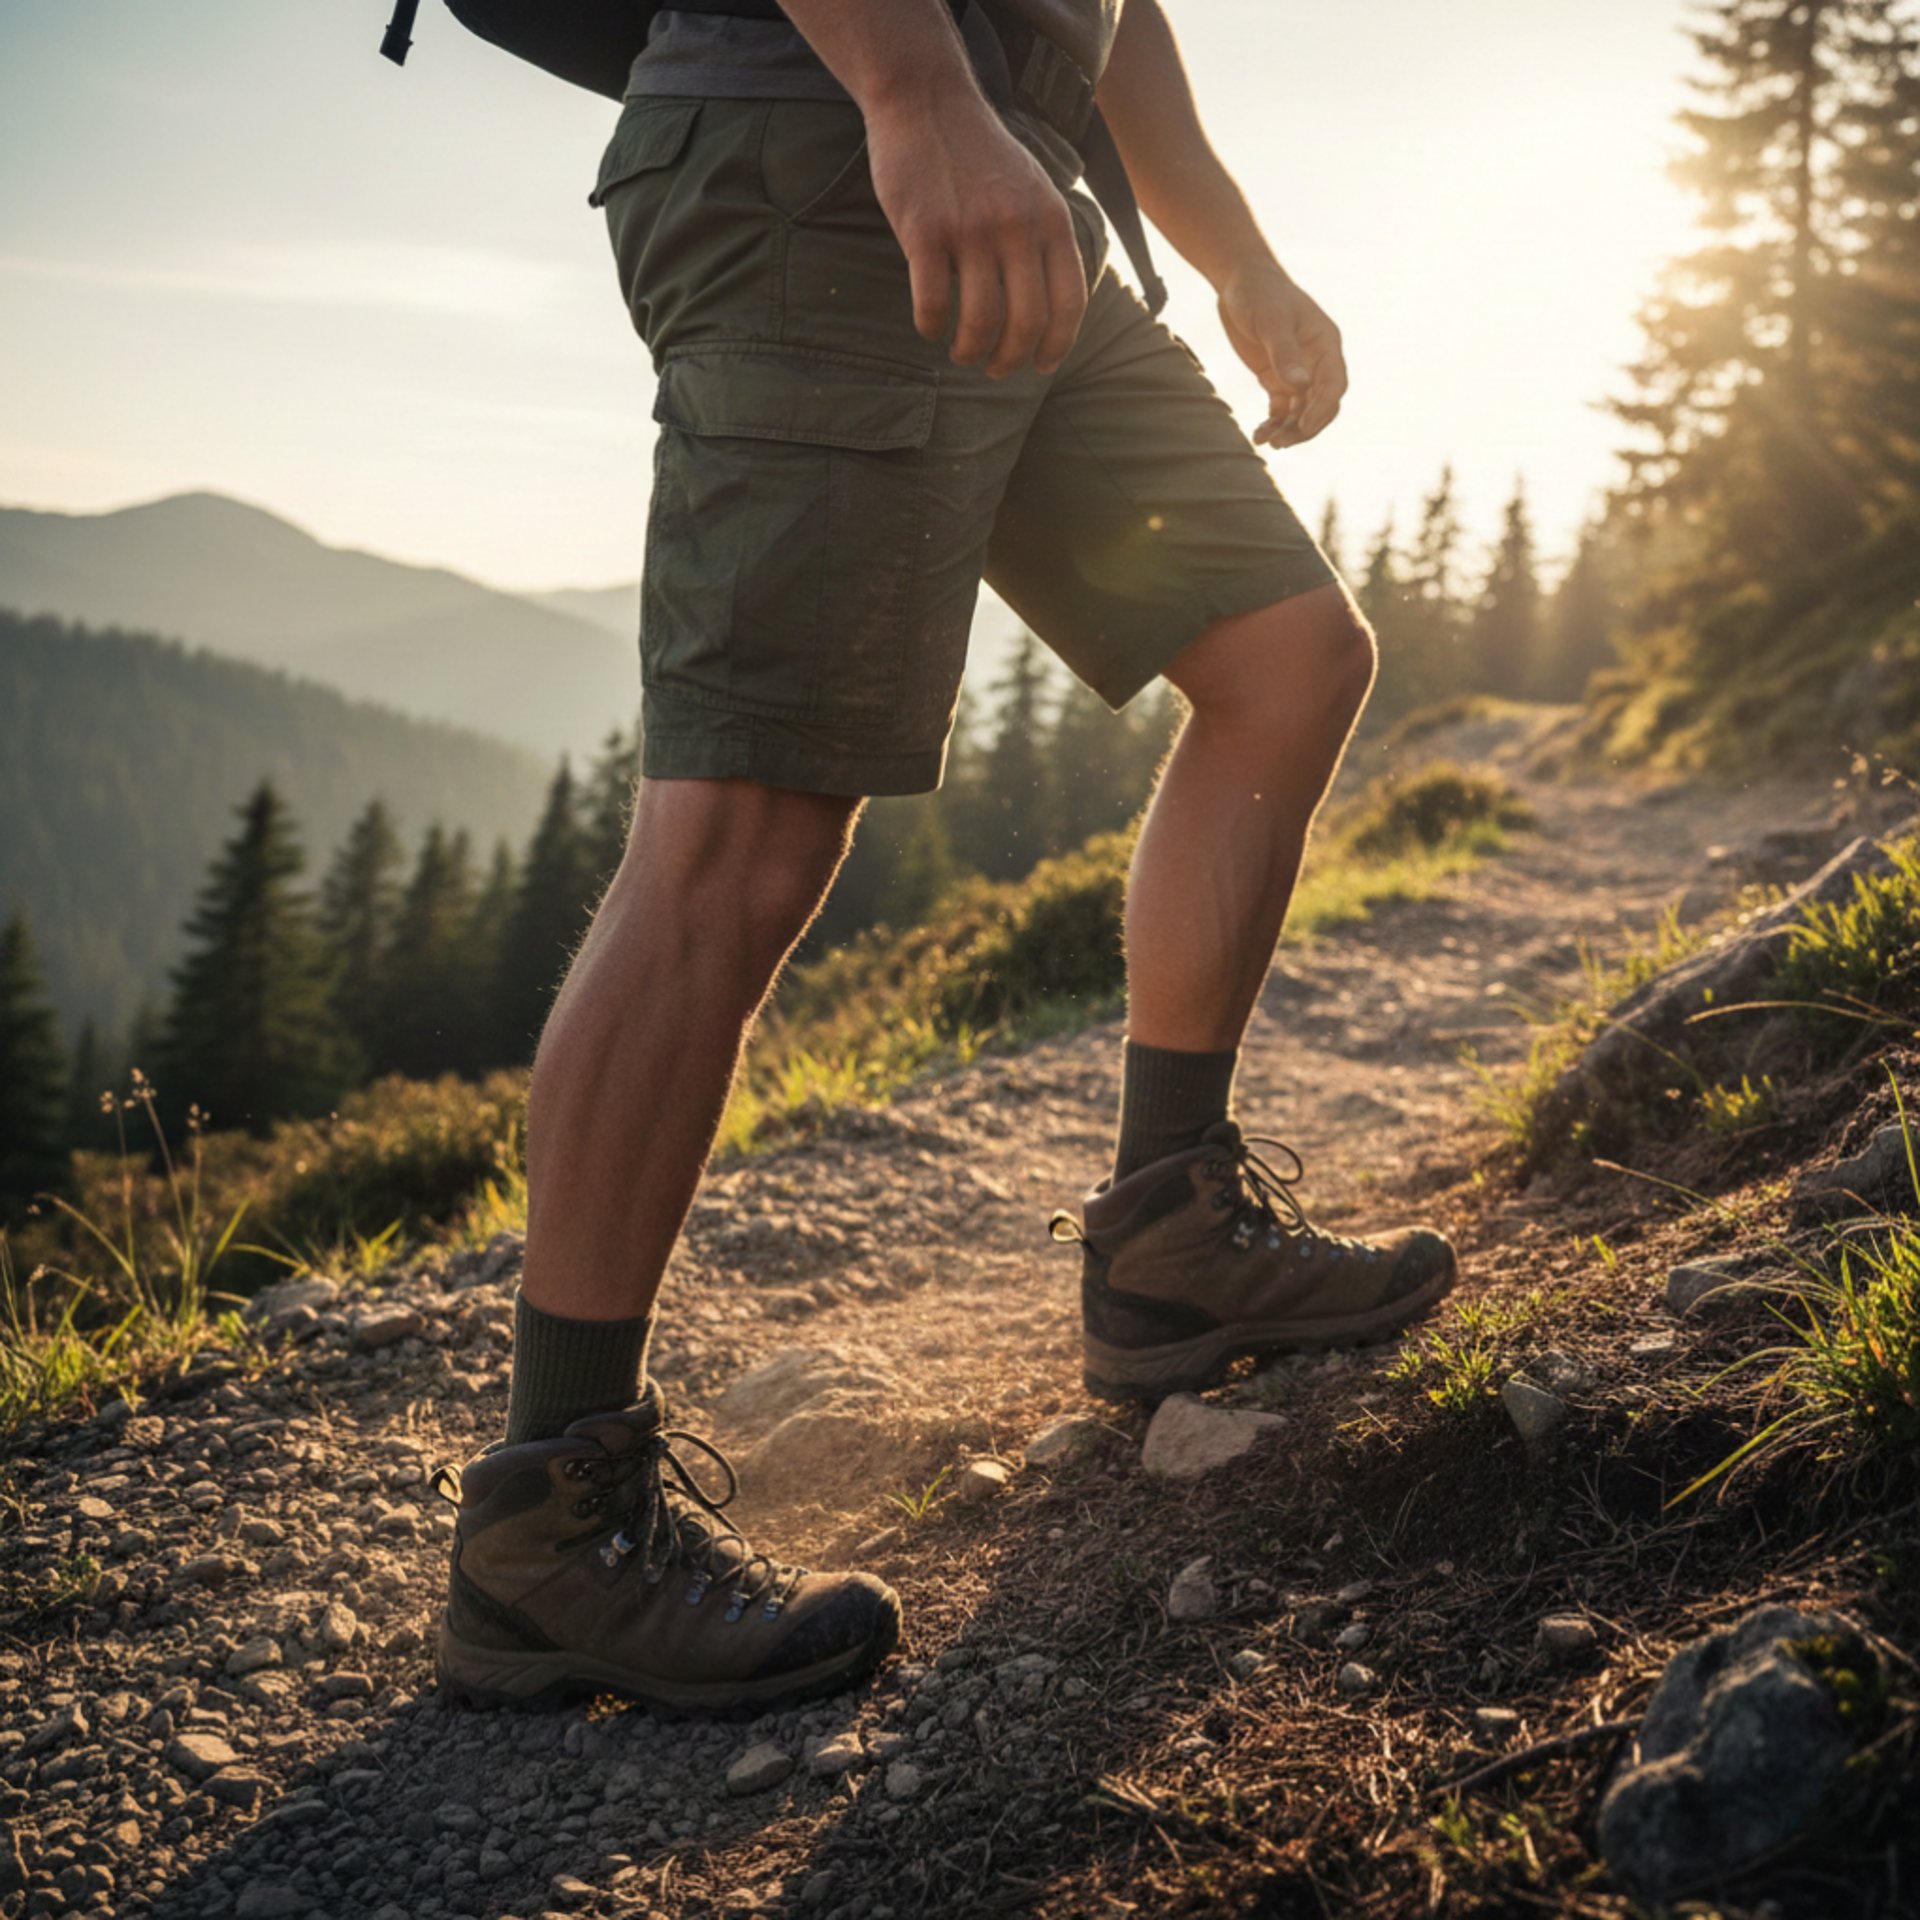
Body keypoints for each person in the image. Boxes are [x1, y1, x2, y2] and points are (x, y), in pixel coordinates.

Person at [435, 0, 1456, 1715]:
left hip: (1029, 185)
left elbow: (1114, 17)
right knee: (742, 833)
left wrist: (1241, 260)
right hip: (827, 143)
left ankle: (1166, 1243)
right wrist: (914, 96)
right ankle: (550, 1524)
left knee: (1289, 654)